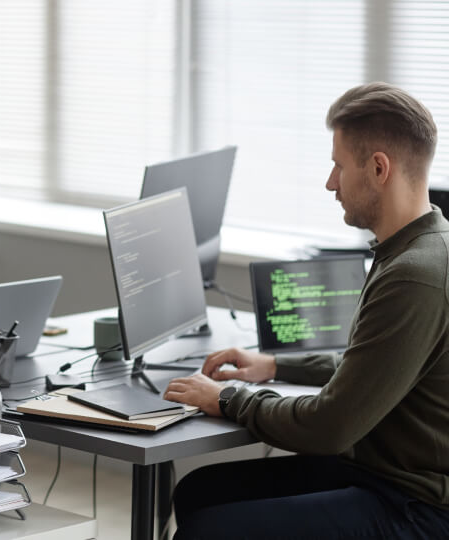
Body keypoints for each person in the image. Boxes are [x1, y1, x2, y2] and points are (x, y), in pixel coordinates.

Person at [163, 82, 449, 539]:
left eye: (338, 166)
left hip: (417, 507)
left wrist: (227, 398)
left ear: (378, 168)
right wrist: (274, 365)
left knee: (212, 529)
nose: (330, 182)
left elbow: (329, 427)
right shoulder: (418, 247)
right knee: (200, 492)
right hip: (383, 476)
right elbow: (373, 367)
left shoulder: (415, 274)